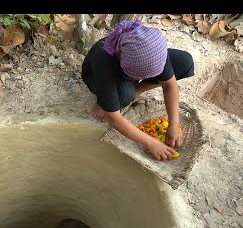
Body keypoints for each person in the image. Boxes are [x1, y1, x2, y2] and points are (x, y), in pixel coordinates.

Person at [81, 19, 195, 161]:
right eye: (140, 76)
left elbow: (169, 85)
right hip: (96, 76)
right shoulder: (104, 61)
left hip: (134, 65)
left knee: (185, 62)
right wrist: (151, 142)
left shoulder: (154, 52)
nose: (151, 78)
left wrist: (174, 124)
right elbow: (114, 118)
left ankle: (133, 91)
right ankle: (103, 99)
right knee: (125, 95)